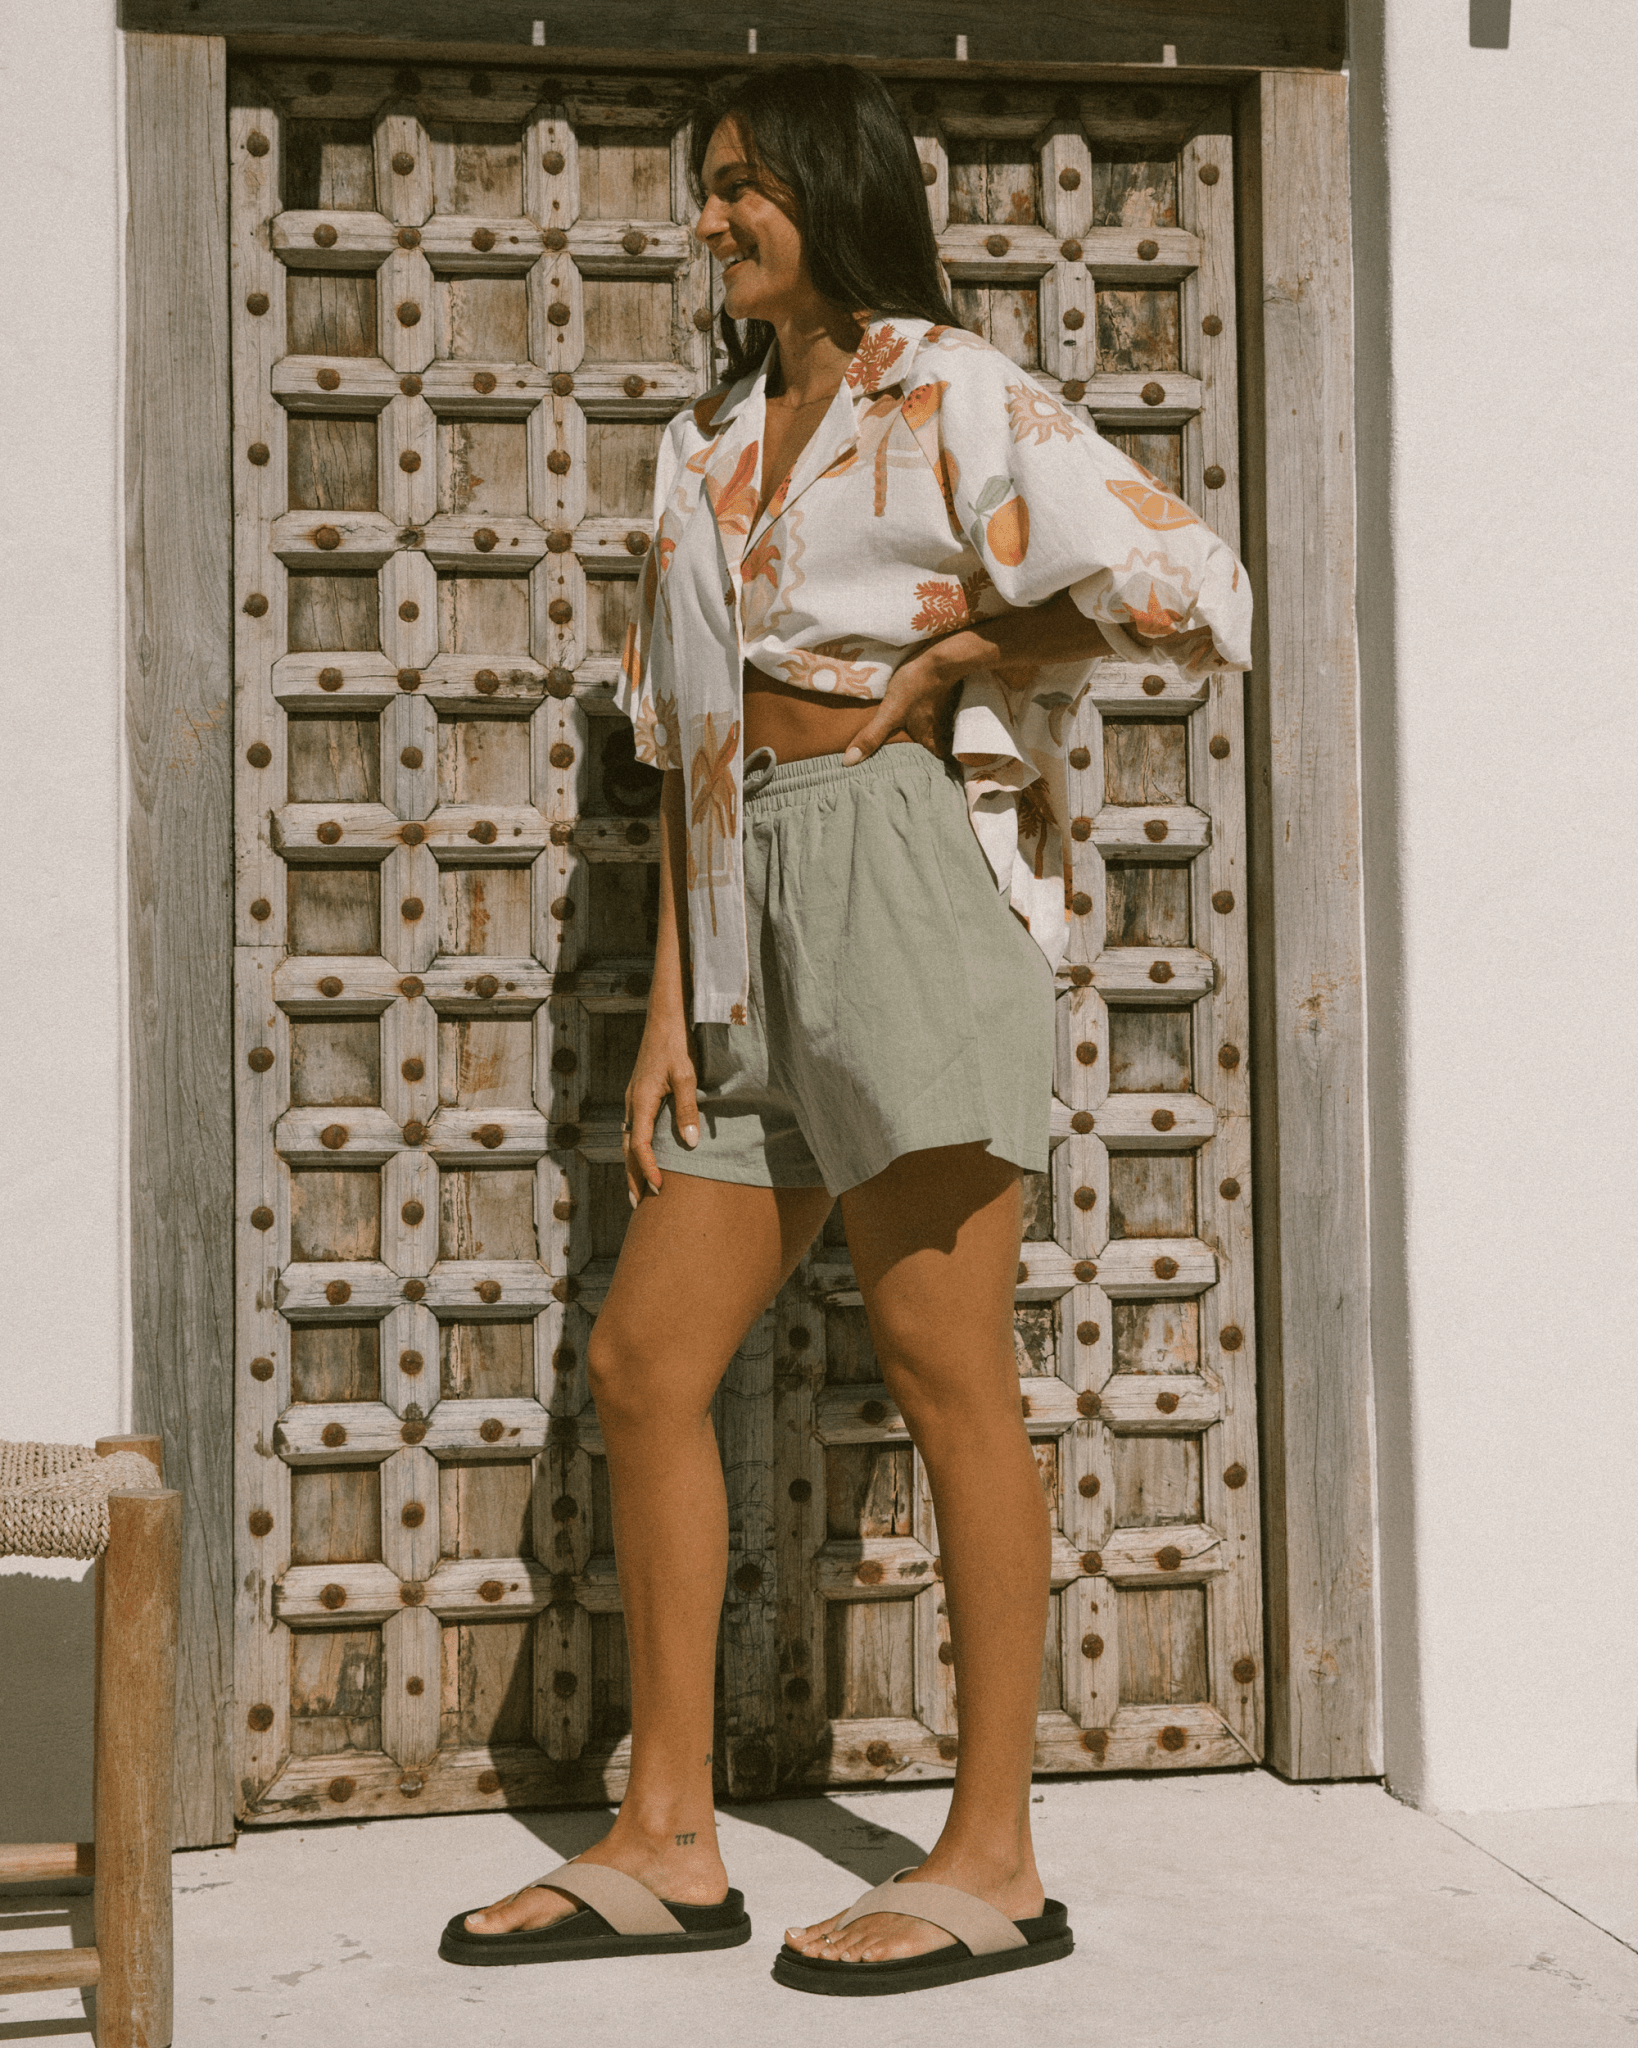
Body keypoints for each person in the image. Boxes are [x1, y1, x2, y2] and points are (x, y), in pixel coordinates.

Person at [440, 60, 1250, 1997]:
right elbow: (678, 748)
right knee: (646, 1360)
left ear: (833, 190)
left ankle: (993, 1861)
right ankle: (667, 1836)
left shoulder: (947, 389)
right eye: (706, 185)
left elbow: (1195, 587)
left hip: (899, 871)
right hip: (742, 908)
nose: (712, 216)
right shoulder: (704, 443)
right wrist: (669, 1010)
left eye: (744, 184)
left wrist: (977, 641)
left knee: (940, 1357)